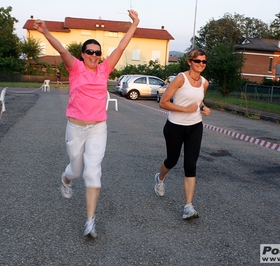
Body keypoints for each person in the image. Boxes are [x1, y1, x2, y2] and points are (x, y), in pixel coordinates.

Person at [33, 9, 140, 238]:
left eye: (97, 53)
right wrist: (45, 32)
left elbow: (121, 46)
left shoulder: (104, 69)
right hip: (75, 127)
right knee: (76, 170)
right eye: (89, 52)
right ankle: (65, 179)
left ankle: (90, 221)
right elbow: (61, 49)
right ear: (82, 54)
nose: (94, 55)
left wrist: (135, 24)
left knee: (93, 172)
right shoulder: (75, 68)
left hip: (97, 128)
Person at [154, 48, 211, 220]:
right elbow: (163, 103)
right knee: (172, 160)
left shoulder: (204, 82)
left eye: (204, 61)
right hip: (175, 126)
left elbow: (199, 99)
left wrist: (203, 107)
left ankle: (188, 206)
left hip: (195, 126)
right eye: (197, 61)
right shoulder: (181, 78)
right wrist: (185, 109)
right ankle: (160, 178)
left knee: (190, 164)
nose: (201, 64)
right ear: (189, 62)